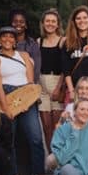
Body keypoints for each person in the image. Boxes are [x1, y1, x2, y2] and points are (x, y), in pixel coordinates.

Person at [0, 26, 44, 175]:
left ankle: (39, 172)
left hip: (26, 94)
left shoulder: (24, 55)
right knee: (9, 139)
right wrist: (6, 108)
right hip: (7, 96)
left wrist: (27, 100)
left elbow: (30, 81)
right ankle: (12, 174)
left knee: (35, 136)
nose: (7, 39)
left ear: (15, 40)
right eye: (4, 37)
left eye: (11, 37)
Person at [37, 9, 65, 151]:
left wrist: (59, 88)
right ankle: (51, 160)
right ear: (43, 23)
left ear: (58, 24)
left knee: (57, 126)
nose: (50, 24)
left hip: (56, 83)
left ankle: (60, 158)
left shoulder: (63, 41)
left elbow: (66, 67)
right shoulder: (38, 41)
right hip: (42, 85)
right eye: (47, 21)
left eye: (53, 21)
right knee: (47, 128)